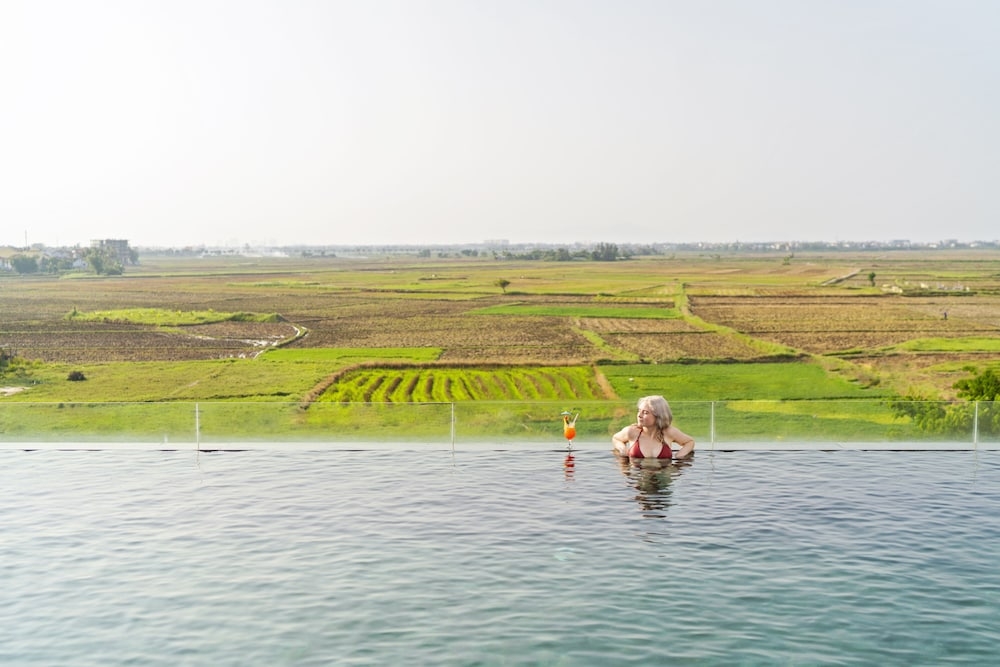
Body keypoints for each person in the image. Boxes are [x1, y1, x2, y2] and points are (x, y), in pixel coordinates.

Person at [612, 395, 695, 460]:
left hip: (663, 479)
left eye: (645, 412)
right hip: (637, 478)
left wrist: (679, 456)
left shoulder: (669, 432)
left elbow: (689, 442)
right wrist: (622, 449)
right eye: (639, 411)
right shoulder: (632, 431)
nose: (639, 415)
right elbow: (616, 438)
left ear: (658, 416)